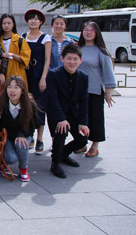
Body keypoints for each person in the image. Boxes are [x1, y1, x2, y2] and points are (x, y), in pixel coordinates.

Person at [45, 43, 90, 178]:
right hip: (56, 113)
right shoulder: (53, 74)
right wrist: (61, 119)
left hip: (73, 113)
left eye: (75, 59)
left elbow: (84, 101)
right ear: (62, 59)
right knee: (61, 132)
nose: (72, 62)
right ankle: (55, 163)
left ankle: (63, 154)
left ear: (80, 61)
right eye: (69, 58)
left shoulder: (83, 77)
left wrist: (83, 122)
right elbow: (52, 99)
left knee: (82, 139)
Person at [77, 21, 116, 157]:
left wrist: (108, 92)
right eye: (86, 30)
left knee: (95, 119)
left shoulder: (101, 51)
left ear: (96, 33)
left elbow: (108, 72)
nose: (88, 32)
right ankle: (81, 143)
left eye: (91, 30)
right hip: (78, 91)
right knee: (79, 118)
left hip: (94, 91)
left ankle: (95, 145)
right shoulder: (78, 49)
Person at [0, 76, 38, 182]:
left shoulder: (30, 104)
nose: (12, 91)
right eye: (9, 87)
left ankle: (23, 169)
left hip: (23, 134)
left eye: (16, 87)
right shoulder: (2, 101)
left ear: (22, 90)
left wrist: (22, 135)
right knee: (11, 158)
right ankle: (4, 163)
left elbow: (33, 125)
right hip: (7, 136)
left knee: (21, 144)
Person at [22, 9, 51, 155]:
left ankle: (40, 138)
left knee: (40, 107)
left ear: (41, 22)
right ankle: (30, 135)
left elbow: (47, 60)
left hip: (39, 74)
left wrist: (44, 78)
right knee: (26, 106)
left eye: (36, 19)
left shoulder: (45, 38)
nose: (33, 21)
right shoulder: (22, 37)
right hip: (25, 74)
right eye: (31, 19)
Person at [0, 13, 31, 84]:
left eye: (9, 23)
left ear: (13, 24)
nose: (6, 25)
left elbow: (26, 59)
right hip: (1, 74)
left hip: (17, 73)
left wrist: (12, 55)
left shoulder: (20, 40)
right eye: (4, 23)